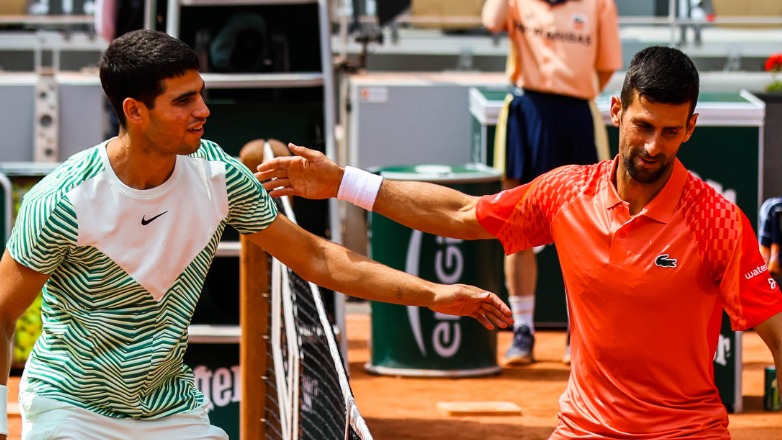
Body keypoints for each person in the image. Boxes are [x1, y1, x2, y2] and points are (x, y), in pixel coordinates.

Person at [0, 29, 512, 440]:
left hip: (169, 409)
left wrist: (434, 293)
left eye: (201, 94)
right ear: (135, 110)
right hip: (72, 408)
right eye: (183, 101)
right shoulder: (61, 202)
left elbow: (314, 257)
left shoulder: (219, 176)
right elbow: (2, 313)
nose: (203, 110)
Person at [256, 46, 782, 438]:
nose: (652, 146)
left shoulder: (719, 223)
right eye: (643, 125)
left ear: (690, 128)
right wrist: (344, 182)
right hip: (585, 429)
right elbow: (462, 213)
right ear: (617, 110)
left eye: (670, 132)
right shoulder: (567, 192)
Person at [481, 0, 623, 365]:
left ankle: (576, 331)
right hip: (526, 111)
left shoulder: (599, 4)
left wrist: (569, 88)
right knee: (517, 224)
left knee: (583, 229)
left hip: (576, 113)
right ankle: (522, 331)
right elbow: (491, 20)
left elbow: (607, 67)